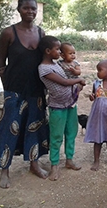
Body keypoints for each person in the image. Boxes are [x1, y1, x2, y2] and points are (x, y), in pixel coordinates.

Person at [0, 0, 48, 189]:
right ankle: (5, 169)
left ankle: (34, 164)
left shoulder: (41, 34)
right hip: (15, 89)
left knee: (34, 127)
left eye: (33, 9)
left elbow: (47, 60)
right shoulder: (9, 33)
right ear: (19, 10)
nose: (30, 12)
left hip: (35, 89)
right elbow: (1, 64)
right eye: (26, 8)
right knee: (9, 128)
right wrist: (7, 86)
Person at [38, 36, 86, 181]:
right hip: (57, 107)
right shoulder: (44, 68)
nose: (59, 52)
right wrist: (79, 81)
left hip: (70, 104)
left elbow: (70, 75)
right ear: (47, 51)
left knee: (71, 133)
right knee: (56, 137)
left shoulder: (57, 64)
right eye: (57, 49)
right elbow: (64, 82)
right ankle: (54, 165)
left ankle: (69, 159)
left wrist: (77, 86)